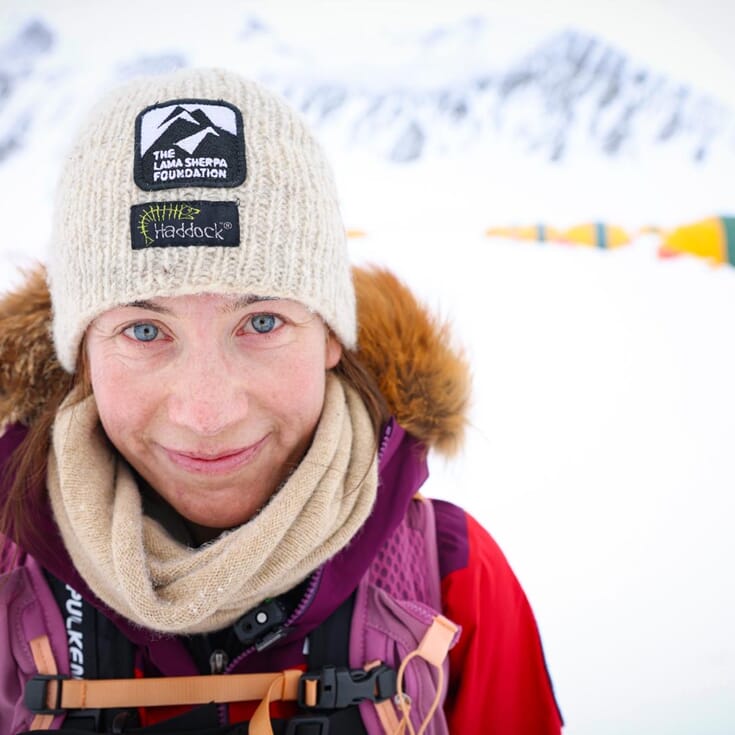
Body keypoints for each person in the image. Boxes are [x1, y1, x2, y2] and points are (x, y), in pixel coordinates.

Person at [0, 68, 562, 734]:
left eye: (261, 322)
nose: (206, 413)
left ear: (329, 334)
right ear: (83, 355)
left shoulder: (454, 579)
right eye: (144, 330)